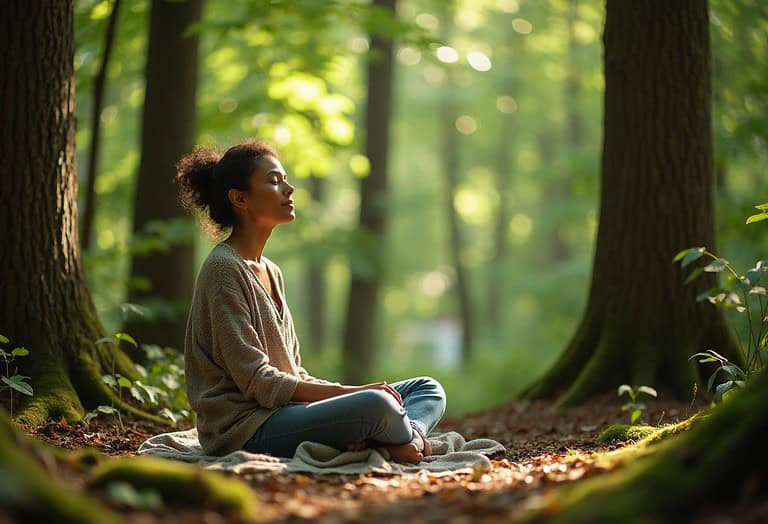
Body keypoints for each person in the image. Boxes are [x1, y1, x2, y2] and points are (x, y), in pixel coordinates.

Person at [176, 139, 446, 463]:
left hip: (285, 412)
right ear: (240, 198)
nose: (289, 189)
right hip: (245, 429)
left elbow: (294, 373)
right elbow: (260, 383)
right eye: (274, 181)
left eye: (286, 180)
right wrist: (354, 394)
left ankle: (406, 440)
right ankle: (396, 438)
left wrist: (347, 398)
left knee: (426, 389)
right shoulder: (223, 270)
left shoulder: (271, 272)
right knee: (377, 405)